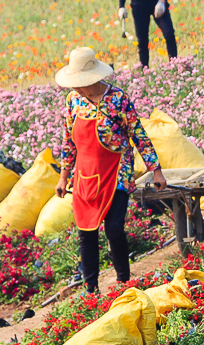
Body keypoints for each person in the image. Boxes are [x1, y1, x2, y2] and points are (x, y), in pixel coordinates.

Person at [54, 46, 167, 293]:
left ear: (93, 78)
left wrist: (155, 169)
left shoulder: (118, 99)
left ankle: (124, 282)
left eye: (80, 83)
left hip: (117, 171)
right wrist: (64, 176)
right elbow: (68, 140)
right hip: (84, 174)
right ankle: (91, 289)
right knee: (87, 230)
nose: (76, 88)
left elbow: (138, 134)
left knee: (114, 226)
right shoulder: (73, 100)